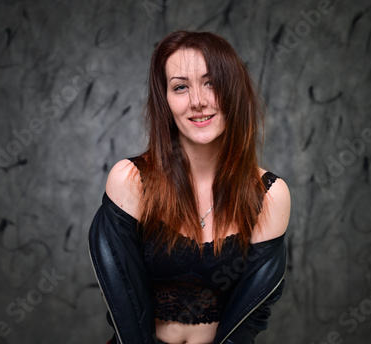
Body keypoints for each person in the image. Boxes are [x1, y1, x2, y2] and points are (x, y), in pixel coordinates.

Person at [88, 30, 291, 344]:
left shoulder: (269, 196)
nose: (198, 101)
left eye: (211, 82)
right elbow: (123, 301)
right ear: (165, 100)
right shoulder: (130, 180)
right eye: (180, 87)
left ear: (233, 90)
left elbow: (253, 317)